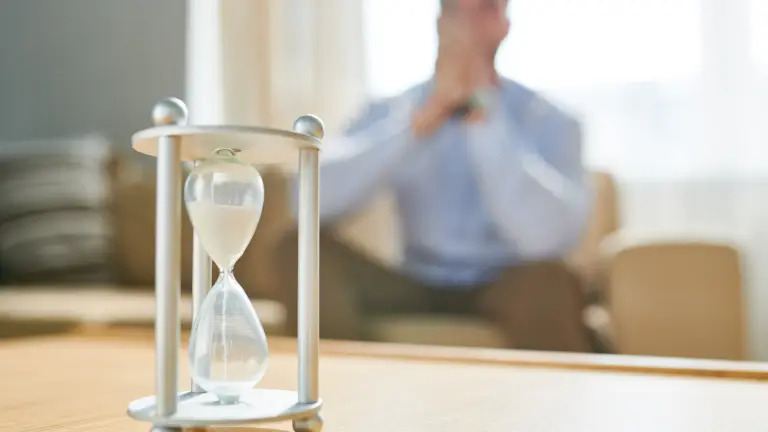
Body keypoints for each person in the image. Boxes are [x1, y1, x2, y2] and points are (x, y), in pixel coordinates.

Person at [274, 0, 594, 352]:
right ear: (440, 22)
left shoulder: (552, 122)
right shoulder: (391, 111)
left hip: (507, 281)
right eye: (458, 12)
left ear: (505, 22)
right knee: (297, 249)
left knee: (552, 281)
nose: (469, 26)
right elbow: (303, 203)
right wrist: (414, 128)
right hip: (415, 279)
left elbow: (546, 241)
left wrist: (486, 122)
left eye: (484, 10)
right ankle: (343, 392)